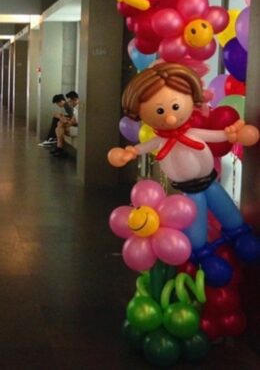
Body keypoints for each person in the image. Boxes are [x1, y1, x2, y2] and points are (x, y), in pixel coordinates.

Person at [107, 62, 260, 277]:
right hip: (190, 192)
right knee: (195, 224)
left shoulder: (192, 133)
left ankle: (239, 234)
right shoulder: (161, 140)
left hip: (210, 183)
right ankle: (202, 253)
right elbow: (142, 148)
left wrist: (233, 135)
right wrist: (130, 153)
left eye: (175, 107)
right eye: (160, 111)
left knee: (228, 213)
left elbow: (220, 136)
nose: (170, 117)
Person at [51, 91, 80, 158]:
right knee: (59, 125)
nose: (69, 103)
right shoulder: (75, 108)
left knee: (59, 126)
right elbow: (73, 121)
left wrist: (63, 120)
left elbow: (76, 122)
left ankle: (59, 147)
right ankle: (59, 147)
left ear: (75, 99)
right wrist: (64, 121)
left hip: (79, 128)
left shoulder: (80, 108)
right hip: (76, 126)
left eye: (70, 101)